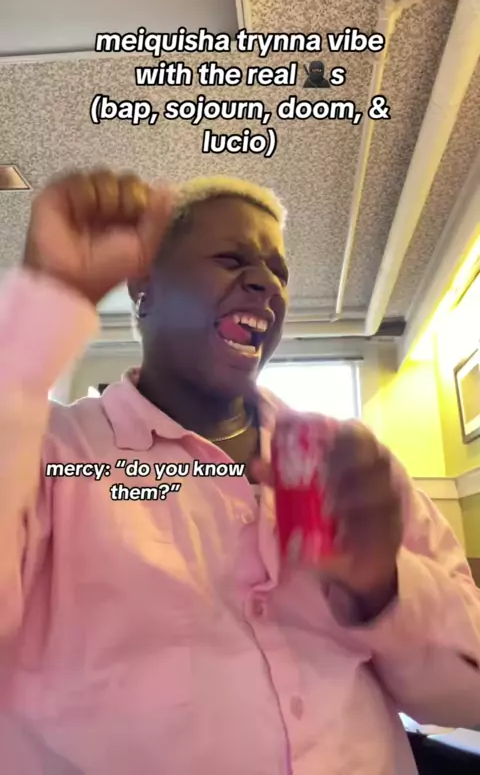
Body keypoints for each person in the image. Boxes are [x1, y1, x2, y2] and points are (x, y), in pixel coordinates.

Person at [0, 169, 479, 775]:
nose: (265, 283)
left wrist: (383, 588)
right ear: (146, 288)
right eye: (231, 259)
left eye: (279, 273)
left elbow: (468, 697)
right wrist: (40, 314)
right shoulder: (47, 452)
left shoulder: (350, 465)